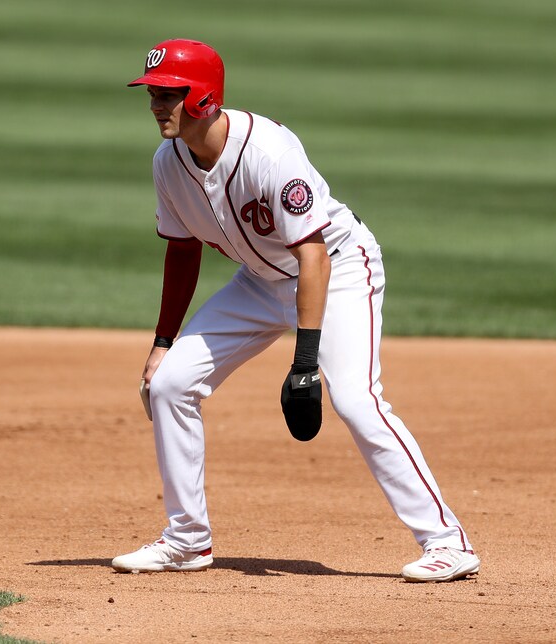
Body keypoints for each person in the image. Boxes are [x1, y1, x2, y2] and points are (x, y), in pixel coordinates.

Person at [112, 39, 479, 582]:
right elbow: (182, 249)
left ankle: (448, 542)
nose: (156, 106)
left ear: (204, 98)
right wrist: (162, 342)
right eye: (153, 95)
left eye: (170, 94)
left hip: (338, 269)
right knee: (169, 384)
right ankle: (188, 539)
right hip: (258, 282)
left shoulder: (270, 153)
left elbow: (311, 254)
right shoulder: (168, 164)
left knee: (355, 400)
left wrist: (305, 361)